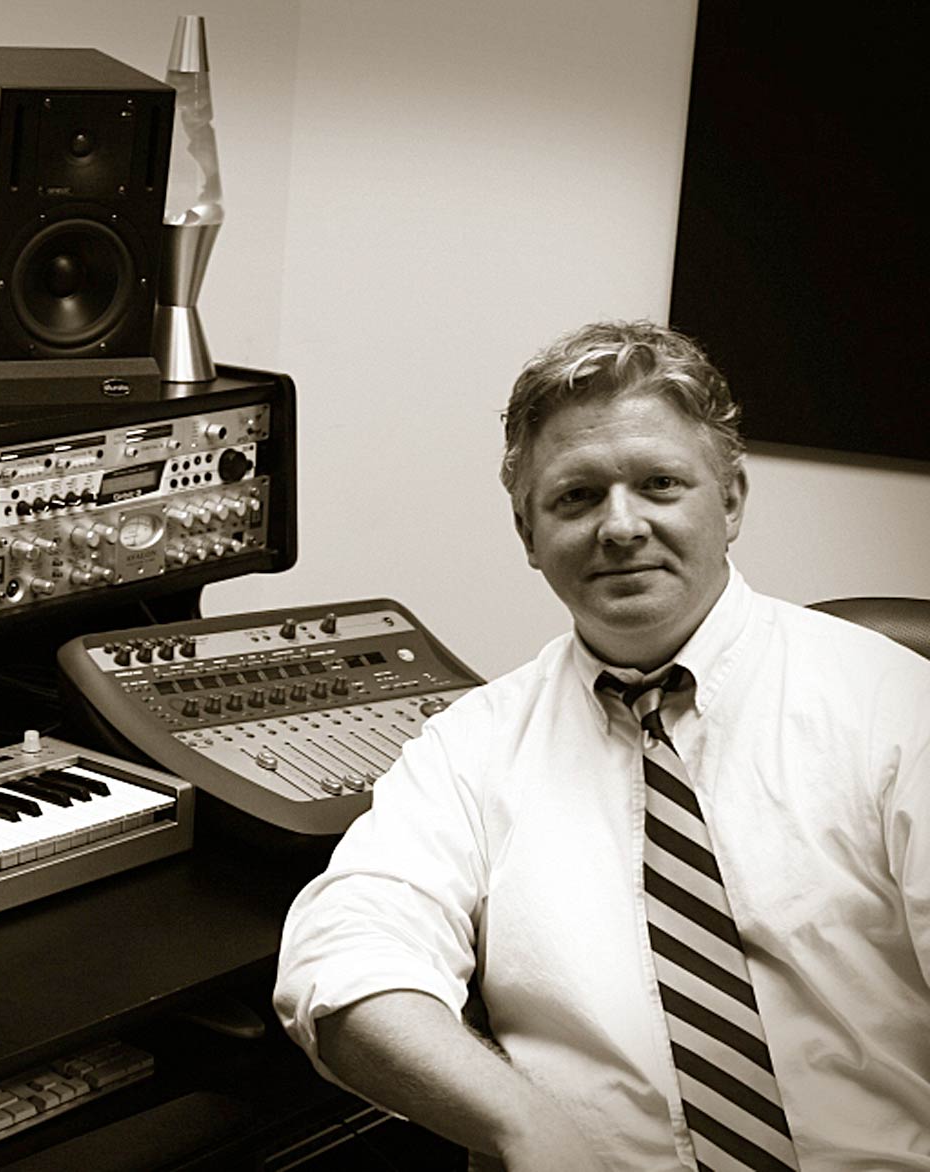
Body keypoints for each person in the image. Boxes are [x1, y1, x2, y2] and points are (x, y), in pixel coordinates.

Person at [273, 320, 930, 1170]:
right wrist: (524, 1129)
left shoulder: (894, 706)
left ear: (731, 501)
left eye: (660, 484)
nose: (620, 527)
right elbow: (346, 958)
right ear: (528, 534)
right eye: (577, 497)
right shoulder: (470, 749)